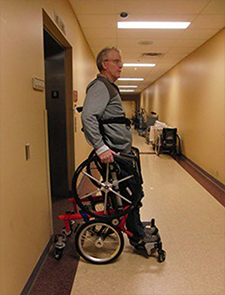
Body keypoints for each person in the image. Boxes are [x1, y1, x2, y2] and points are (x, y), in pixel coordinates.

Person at [81, 46, 149, 246]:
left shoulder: (108, 86)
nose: (121, 65)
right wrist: (101, 147)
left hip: (121, 151)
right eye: (116, 61)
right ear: (105, 64)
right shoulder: (100, 86)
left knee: (129, 191)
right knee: (132, 193)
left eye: (121, 61)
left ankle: (133, 227)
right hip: (114, 152)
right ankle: (137, 234)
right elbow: (88, 116)